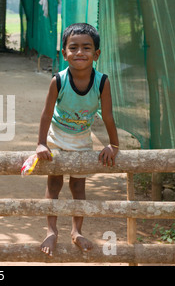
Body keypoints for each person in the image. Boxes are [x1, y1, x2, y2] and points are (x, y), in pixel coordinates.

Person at [35, 23, 119, 256]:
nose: (80, 52)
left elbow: (108, 116)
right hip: (57, 137)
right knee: (54, 185)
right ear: (64, 53)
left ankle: (76, 231)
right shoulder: (58, 81)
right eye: (73, 47)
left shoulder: (102, 82)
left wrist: (114, 145)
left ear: (97, 54)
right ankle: (51, 231)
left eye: (86, 48)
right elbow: (47, 113)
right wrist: (41, 143)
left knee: (78, 187)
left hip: (82, 139)